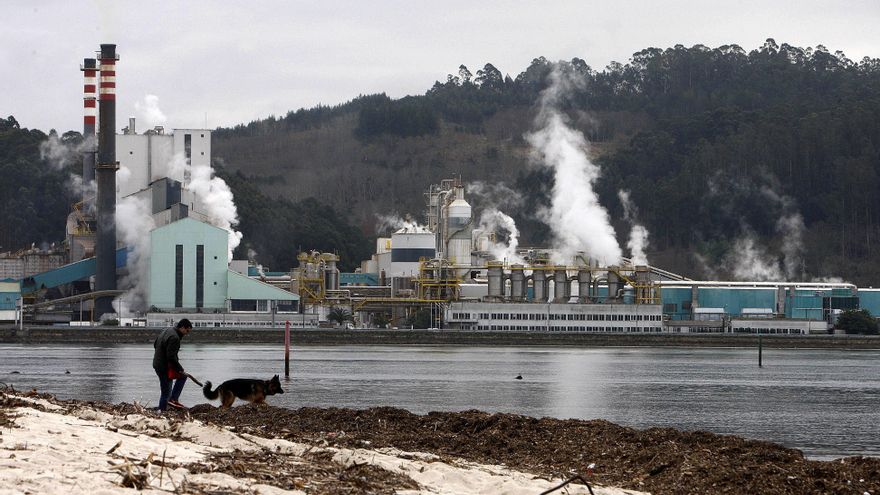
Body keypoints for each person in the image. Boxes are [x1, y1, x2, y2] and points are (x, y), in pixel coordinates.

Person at [152, 318, 192, 410]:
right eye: (187, 331)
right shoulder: (175, 337)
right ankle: (163, 409)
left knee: (181, 378)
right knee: (166, 392)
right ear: (182, 327)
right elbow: (171, 357)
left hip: (158, 363)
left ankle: (170, 402)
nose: (186, 333)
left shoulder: (166, 330)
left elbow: (155, 345)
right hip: (164, 366)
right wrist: (180, 369)